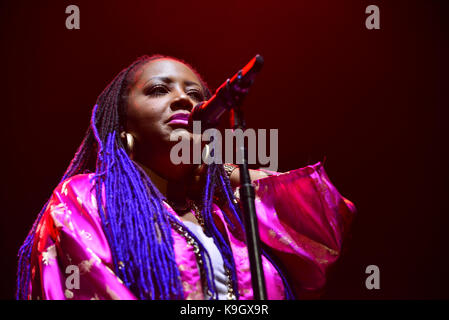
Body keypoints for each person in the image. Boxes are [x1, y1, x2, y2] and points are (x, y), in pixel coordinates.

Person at [16, 55, 356, 300]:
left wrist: (226, 171)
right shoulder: (87, 198)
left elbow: (322, 229)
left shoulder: (234, 215)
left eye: (196, 95)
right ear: (123, 124)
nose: (183, 99)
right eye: (159, 90)